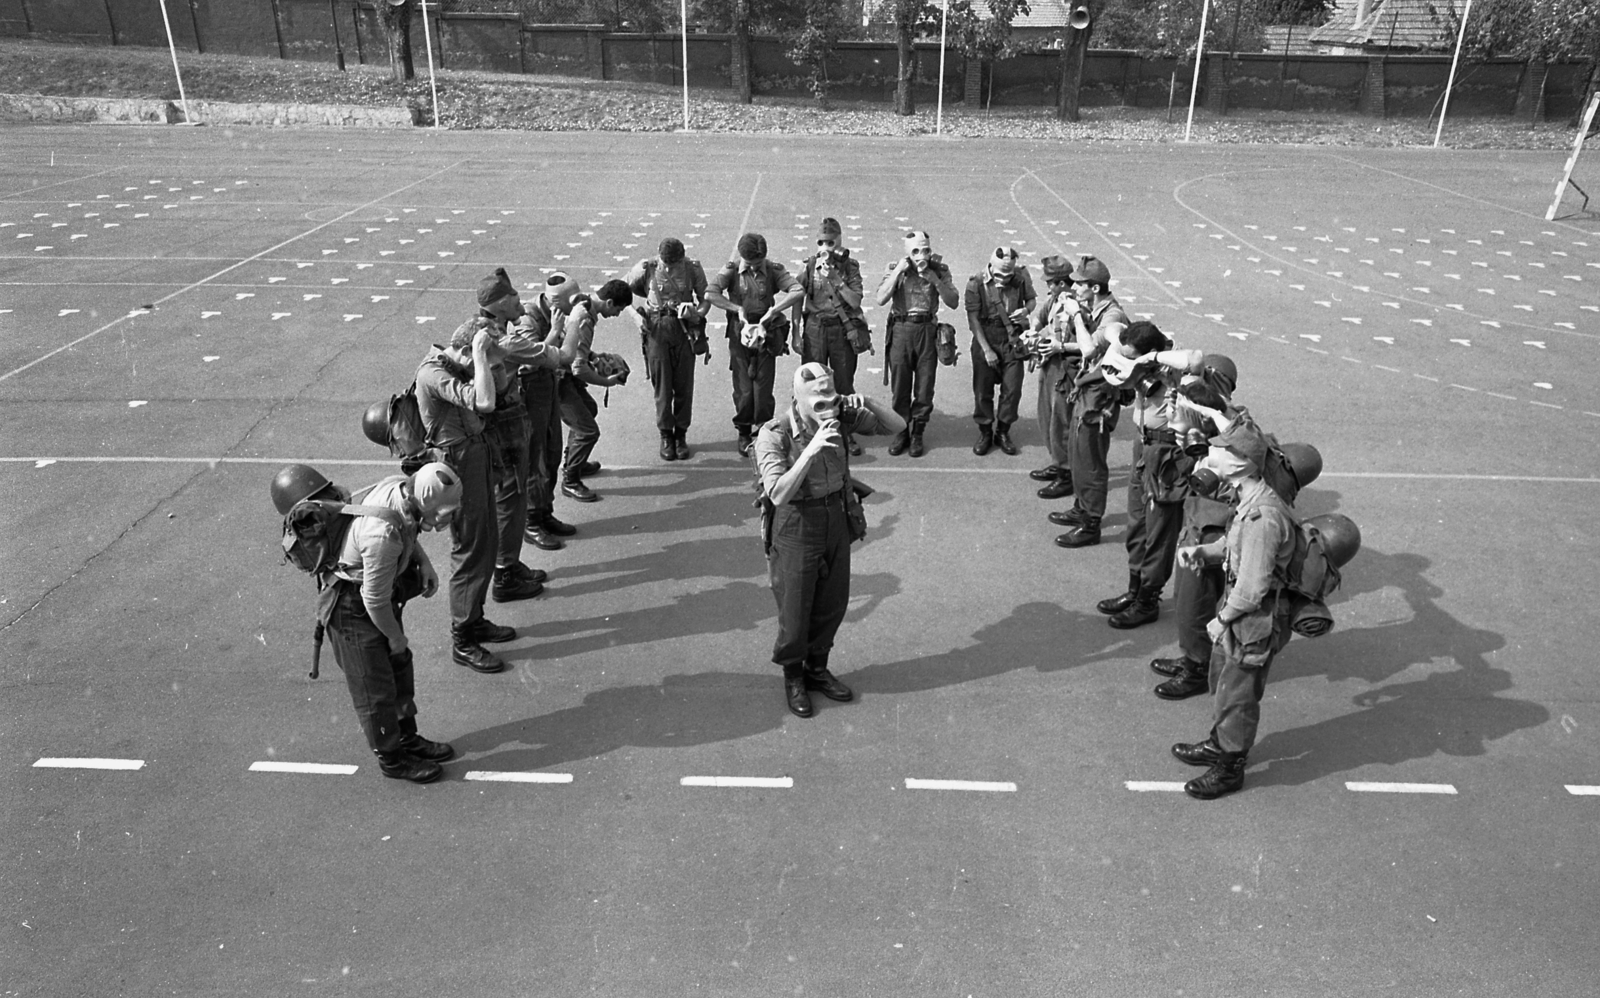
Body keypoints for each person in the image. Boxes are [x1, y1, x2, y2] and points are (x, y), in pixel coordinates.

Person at [272, 462, 457, 784]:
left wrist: (423, 562)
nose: (445, 519)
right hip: (352, 611)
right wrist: (396, 638)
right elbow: (374, 600)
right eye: (441, 511)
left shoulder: (400, 490)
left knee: (399, 671)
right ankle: (392, 758)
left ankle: (406, 737)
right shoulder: (381, 535)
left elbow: (405, 527)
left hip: (373, 600)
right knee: (376, 690)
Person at [756, 362, 905, 718]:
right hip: (796, 523)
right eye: (818, 402)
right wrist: (810, 450)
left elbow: (897, 425)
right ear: (798, 398)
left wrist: (863, 399)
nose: (827, 408)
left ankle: (817, 669)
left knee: (833, 601)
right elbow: (777, 492)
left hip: (835, 516)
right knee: (795, 608)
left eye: (831, 398)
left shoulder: (840, 417)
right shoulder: (774, 434)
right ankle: (794, 676)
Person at [1169, 417, 1298, 800]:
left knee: (1238, 695)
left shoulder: (1263, 516)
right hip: (1241, 616)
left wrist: (1221, 619)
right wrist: (1206, 552)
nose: (1212, 453)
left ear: (1241, 462)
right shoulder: (1249, 501)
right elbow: (1233, 543)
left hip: (1251, 621)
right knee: (1225, 686)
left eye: (1220, 449)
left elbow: (1254, 586)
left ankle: (1229, 767)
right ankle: (1219, 743)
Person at [415, 286, 517, 675]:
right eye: (480, 359)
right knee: (470, 548)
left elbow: (499, 382)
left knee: (486, 538)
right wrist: (479, 355)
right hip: (456, 463)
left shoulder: (457, 362)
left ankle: (474, 618)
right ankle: (462, 637)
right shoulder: (435, 373)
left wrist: (491, 358)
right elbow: (487, 402)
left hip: (476, 455)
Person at [1094, 320, 1205, 629]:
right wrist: (1128, 352)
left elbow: (1195, 358)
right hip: (1143, 449)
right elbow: (1111, 329)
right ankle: (1134, 589)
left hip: (1167, 455)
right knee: (1136, 524)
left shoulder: (1173, 369)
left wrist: (1151, 360)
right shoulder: (1134, 355)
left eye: (1134, 356)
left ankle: (1147, 600)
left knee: (1159, 531)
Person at [1149, 356, 1241, 701]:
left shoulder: (1226, 438)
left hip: (1211, 532)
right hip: (1197, 525)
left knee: (1195, 604)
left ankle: (1197, 667)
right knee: (1184, 599)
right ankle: (1192, 655)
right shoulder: (1214, 427)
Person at [461, 268, 554, 608]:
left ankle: (510, 563)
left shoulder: (479, 330)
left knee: (510, 501)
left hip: (497, 430)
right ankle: (504, 574)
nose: (520, 300)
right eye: (514, 296)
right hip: (504, 432)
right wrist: (563, 327)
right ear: (500, 304)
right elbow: (554, 356)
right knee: (510, 501)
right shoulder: (499, 339)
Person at [1047, 254, 1130, 548]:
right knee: (1078, 454)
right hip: (1087, 391)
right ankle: (1082, 508)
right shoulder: (1096, 307)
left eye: (1080, 284)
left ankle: (1091, 522)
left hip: (1100, 398)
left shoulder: (1112, 315)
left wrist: (1077, 317)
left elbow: (1090, 350)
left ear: (1095, 288)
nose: (1074, 287)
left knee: (1091, 460)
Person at [705, 232, 803, 457]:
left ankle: (764, 430)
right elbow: (710, 293)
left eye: (759, 263)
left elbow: (797, 290)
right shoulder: (732, 270)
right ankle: (744, 430)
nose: (755, 267)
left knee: (763, 388)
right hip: (740, 334)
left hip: (765, 334)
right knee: (743, 389)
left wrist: (774, 311)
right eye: (750, 263)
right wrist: (736, 309)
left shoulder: (773, 270)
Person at [874, 230, 958, 458]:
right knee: (900, 385)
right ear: (907, 253)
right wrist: (898, 273)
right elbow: (880, 299)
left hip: (927, 330)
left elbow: (954, 302)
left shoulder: (939, 269)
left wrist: (936, 281)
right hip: (902, 328)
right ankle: (901, 431)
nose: (922, 255)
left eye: (926, 250)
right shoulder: (896, 268)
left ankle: (918, 432)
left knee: (924, 386)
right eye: (916, 251)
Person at [625, 237, 710, 461]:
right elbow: (624, 292)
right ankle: (665, 434)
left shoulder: (693, 269)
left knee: (684, 385)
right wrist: (635, 315)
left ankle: (681, 434)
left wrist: (695, 312)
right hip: (656, 329)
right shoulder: (646, 268)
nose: (671, 267)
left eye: (675, 263)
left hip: (683, 330)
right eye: (667, 263)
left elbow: (706, 300)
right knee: (662, 387)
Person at [516, 273, 582, 552]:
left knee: (552, 452)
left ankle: (544, 510)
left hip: (548, 387)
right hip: (530, 393)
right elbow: (527, 362)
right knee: (536, 458)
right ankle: (531, 521)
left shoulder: (555, 312)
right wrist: (555, 331)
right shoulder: (528, 319)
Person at [556, 279, 633, 503]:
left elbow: (575, 349)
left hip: (561, 371)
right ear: (609, 302)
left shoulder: (583, 304)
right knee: (588, 430)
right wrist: (606, 381)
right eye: (618, 309)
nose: (617, 314)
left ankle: (574, 461)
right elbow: (578, 369)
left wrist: (592, 356)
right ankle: (570, 480)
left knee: (588, 408)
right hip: (558, 379)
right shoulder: (585, 319)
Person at [796, 217, 867, 456]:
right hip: (815, 328)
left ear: (839, 242)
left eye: (830, 242)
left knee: (843, 383)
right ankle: (813, 432)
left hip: (840, 329)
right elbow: (798, 296)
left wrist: (837, 280)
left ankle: (845, 431)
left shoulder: (850, 267)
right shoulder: (809, 266)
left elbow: (856, 301)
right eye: (821, 242)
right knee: (812, 383)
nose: (825, 247)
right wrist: (796, 332)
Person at [963, 246, 1036, 457]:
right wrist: (986, 350)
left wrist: (1026, 310)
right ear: (991, 267)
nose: (1004, 279)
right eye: (1000, 274)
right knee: (982, 390)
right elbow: (973, 319)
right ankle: (985, 431)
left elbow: (1031, 299)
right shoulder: (976, 283)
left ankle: (1003, 431)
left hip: (1012, 339)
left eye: (1008, 274)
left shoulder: (1021, 277)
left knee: (1012, 390)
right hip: (986, 335)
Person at [1026, 255, 1082, 499]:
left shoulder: (1078, 305)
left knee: (1061, 422)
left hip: (1066, 368)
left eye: (1050, 282)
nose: (1047, 286)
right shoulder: (1055, 300)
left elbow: (1090, 344)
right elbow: (1041, 317)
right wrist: (1033, 331)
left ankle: (1066, 473)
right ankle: (1057, 460)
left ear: (1061, 282)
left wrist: (1060, 346)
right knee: (1046, 416)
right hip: (1050, 364)